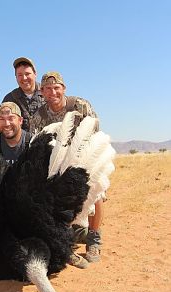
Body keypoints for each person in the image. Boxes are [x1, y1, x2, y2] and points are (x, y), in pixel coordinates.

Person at [30, 71, 104, 266]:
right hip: (57, 165)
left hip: (84, 158)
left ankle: (94, 240)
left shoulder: (80, 105)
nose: (52, 92)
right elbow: (38, 144)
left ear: (63, 88)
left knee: (97, 193)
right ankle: (66, 241)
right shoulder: (38, 116)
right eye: (47, 89)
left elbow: (96, 131)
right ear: (42, 92)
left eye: (56, 88)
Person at [1, 57, 45, 131]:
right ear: (16, 77)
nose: (24, 78)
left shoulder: (48, 92)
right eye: (20, 75)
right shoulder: (9, 98)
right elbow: (2, 126)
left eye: (27, 74)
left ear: (35, 74)